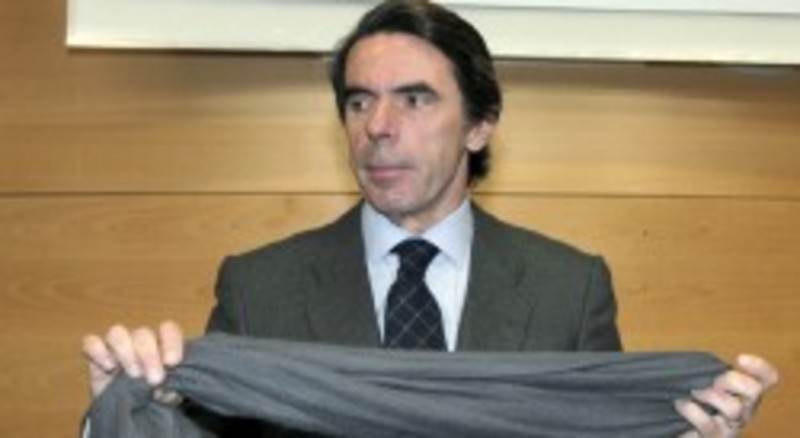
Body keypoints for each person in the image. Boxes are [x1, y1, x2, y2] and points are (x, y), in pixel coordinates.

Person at [82, 1, 778, 436]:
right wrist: (125, 409)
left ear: (480, 125)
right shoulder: (259, 287)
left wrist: (691, 431)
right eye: (359, 102)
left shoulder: (569, 287)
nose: (378, 127)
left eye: (414, 100)